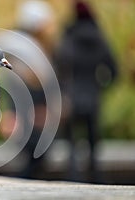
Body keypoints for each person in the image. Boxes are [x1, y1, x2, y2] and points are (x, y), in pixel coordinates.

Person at [54, 0, 118, 182]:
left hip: (71, 98)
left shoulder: (68, 38)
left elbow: (59, 68)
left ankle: (73, 177)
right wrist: (100, 87)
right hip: (92, 97)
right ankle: (96, 177)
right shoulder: (100, 38)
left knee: (72, 142)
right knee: (92, 142)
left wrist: (63, 91)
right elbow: (113, 70)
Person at [0, 0, 56, 179]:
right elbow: (30, 81)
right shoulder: (27, 46)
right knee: (35, 157)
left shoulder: (15, 43)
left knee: (34, 158)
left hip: (28, 112)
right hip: (32, 112)